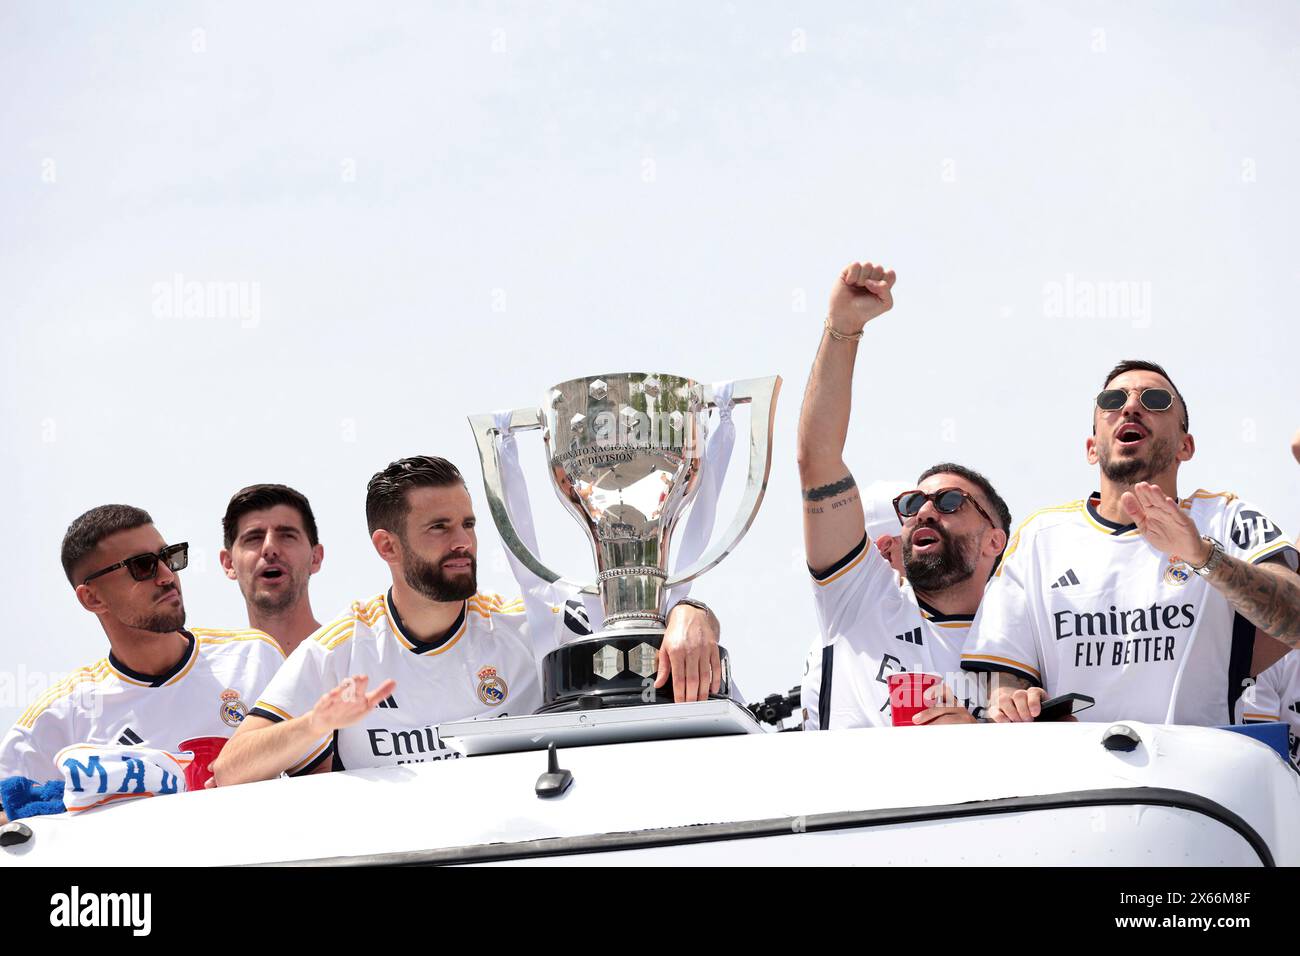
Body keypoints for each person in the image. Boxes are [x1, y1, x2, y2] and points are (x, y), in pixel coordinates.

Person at [211, 456, 722, 782]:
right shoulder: (345, 644)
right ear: (387, 545)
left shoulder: (526, 623)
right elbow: (232, 768)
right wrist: (317, 724)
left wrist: (690, 611)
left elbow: (634, 617)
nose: (463, 543)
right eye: (439, 527)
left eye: (468, 524)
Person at [963, 360, 1300, 725]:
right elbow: (1000, 669)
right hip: (1076, 775)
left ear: (1186, 446)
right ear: (1092, 448)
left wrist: (1203, 556)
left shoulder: (1226, 517)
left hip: (1197, 776)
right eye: (1112, 400)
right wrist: (1013, 698)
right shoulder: (1039, 538)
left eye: (1155, 400)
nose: (1130, 407)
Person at [797, 261, 1011, 730]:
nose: (926, 512)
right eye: (913, 505)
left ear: (995, 541)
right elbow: (818, 460)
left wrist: (975, 738)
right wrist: (843, 328)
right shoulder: (862, 602)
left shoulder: (1025, 644)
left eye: (950, 502)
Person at [0, 505, 284, 801]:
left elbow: (321, 774)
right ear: (92, 598)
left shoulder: (254, 657)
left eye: (168, 557)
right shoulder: (62, 714)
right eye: (142, 566)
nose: (166, 576)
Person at [220, 484, 324, 655]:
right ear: (229, 563)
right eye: (253, 538)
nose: (270, 548)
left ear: (316, 558)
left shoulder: (356, 657)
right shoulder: (216, 676)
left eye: (287, 536)